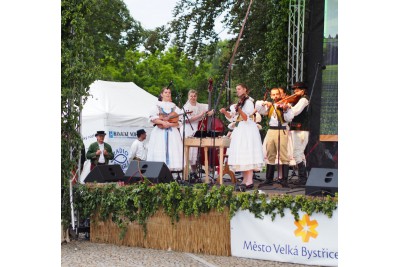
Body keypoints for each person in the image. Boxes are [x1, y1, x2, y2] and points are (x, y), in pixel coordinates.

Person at [219, 83, 264, 190]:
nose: (237, 91)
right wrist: (225, 112)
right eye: (236, 89)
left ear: (245, 89)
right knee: (242, 154)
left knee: (247, 153)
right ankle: (245, 179)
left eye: (239, 89)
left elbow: (246, 117)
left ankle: (249, 180)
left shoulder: (248, 102)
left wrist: (239, 110)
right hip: (240, 129)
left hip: (247, 129)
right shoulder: (240, 102)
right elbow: (232, 117)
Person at [256, 87, 294, 187]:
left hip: (281, 130)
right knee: (270, 154)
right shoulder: (269, 106)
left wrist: (285, 110)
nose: (275, 96)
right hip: (271, 130)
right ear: (271, 96)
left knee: (283, 155)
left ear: (280, 95)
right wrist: (264, 103)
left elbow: (289, 118)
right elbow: (257, 106)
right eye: (273, 94)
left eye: (277, 94)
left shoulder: (286, 105)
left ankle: (284, 180)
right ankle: (269, 179)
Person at [147, 87, 183, 171]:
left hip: (172, 132)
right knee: (160, 149)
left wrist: (170, 124)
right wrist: (163, 123)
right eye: (166, 92)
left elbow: (180, 121)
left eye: (169, 92)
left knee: (172, 150)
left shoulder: (175, 107)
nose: (168, 94)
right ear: (161, 94)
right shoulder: (156, 105)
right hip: (159, 132)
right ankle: (159, 172)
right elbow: (153, 118)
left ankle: (169, 174)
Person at [181, 89, 213, 178]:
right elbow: (187, 120)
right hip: (187, 129)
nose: (193, 98)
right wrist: (200, 115)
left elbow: (209, 107)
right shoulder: (186, 106)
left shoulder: (199, 105)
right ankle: (186, 173)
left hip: (196, 128)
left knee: (194, 151)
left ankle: (193, 172)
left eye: (194, 96)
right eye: (191, 96)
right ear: (188, 96)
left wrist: (211, 111)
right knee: (188, 150)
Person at [289, 82, 310, 186]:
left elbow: (295, 111)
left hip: (301, 129)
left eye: (297, 90)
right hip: (299, 129)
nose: (294, 92)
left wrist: (287, 107)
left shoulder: (303, 99)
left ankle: (303, 179)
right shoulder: (300, 99)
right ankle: (303, 178)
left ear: (303, 90)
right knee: (300, 153)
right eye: (294, 90)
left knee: (297, 152)